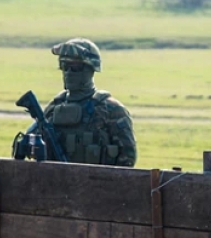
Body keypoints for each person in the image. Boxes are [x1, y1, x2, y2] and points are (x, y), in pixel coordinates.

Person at [18, 37, 137, 166]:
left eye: (75, 68)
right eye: (64, 66)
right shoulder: (53, 108)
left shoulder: (111, 110)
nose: (68, 73)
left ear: (90, 70)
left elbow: (128, 160)